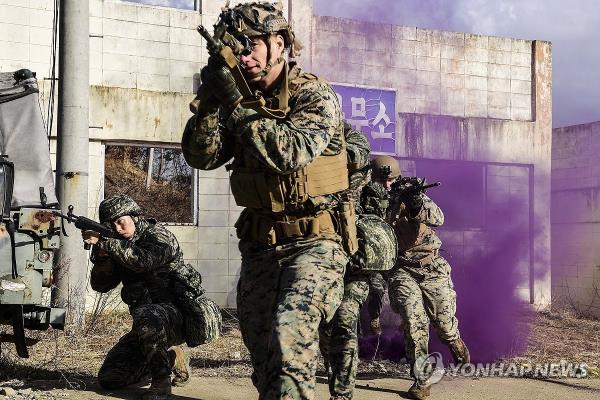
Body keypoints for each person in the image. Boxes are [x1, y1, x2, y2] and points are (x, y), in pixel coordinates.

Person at [181, 2, 353, 398]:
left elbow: (290, 152)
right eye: (235, 48)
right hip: (260, 246)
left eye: (251, 45)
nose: (244, 55)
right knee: (264, 362)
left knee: (289, 344)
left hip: (315, 243)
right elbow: (201, 157)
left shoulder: (313, 94)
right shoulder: (234, 98)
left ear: (279, 44)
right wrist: (210, 103)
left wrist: (237, 107)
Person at [83, 194, 220, 400]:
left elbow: (142, 261)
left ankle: (160, 383)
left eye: (121, 222)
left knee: (148, 314)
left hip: (179, 316)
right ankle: (171, 357)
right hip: (147, 328)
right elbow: (101, 286)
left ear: (135, 216)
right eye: (112, 225)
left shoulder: (159, 236)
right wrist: (102, 257)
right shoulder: (116, 244)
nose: (118, 229)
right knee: (110, 379)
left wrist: (106, 242)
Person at [370, 156, 470, 400]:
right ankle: (421, 380)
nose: (387, 186)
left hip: (431, 266)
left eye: (391, 180)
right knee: (414, 322)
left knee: (444, 325)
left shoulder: (411, 193)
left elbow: (438, 218)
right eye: (382, 181)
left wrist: (415, 204)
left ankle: (456, 343)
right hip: (401, 269)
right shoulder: (369, 200)